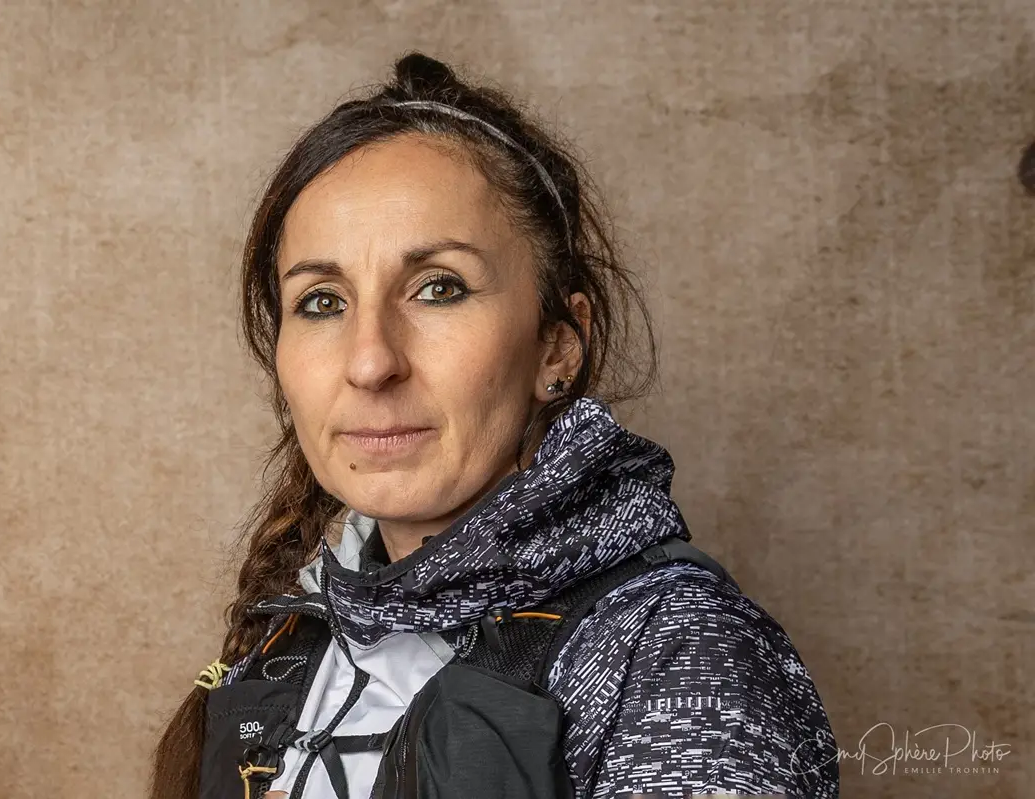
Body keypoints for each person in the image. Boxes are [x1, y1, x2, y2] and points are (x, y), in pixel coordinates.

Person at [150, 52, 840, 799]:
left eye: (438, 288)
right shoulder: (283, 643)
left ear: (557, 344)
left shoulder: (679, 653)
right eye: (321, 301)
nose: (371, 361)